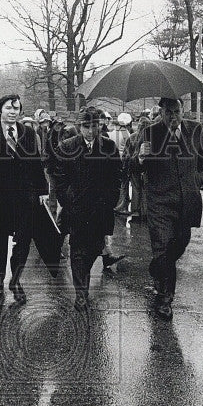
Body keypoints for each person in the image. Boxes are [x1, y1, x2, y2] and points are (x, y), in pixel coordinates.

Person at [0, 93, 50, 302]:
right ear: (0, 111)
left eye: (16, 109)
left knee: (22, 241)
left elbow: (36, 164)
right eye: (8, 108)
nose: (12, 112)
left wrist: (43, 190)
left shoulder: (28, 133)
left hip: (24, 198)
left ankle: (16, 280)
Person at [136, 96, 203, 319]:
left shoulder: (195, 130)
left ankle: (157, 268)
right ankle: (165, 298)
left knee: (180, 244)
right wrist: (141, 158)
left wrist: (199, 179)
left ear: (183, 110)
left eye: (177, 111)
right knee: (163, 245)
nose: (173, 117)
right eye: (168, 112)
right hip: (159, 202)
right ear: (161, 112)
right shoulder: (150, 132)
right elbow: (131, 163)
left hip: (187, 201)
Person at [52, 106, 122, 310]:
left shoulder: (109, 147)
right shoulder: (67, 146)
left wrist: (110, 200)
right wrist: (68, 201)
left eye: (94, 126)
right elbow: (59, 178)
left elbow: (116, 176)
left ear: (99, 126)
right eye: (85, 126)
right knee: (77, 250)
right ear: (79, 126)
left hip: (100, 209)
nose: (90, 131)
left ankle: (83, 280)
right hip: (77, 208)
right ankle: (81, 292)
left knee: (93, 249)